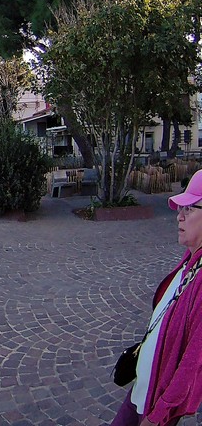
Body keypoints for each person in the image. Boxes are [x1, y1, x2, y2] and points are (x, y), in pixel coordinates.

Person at [111, 169, 202, 425]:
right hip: (145, 385)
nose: (179, 216)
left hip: (156, 406)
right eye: (180, 209)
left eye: (189, 209)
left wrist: (159, 415)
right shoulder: (191, 260)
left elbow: (192, 362)